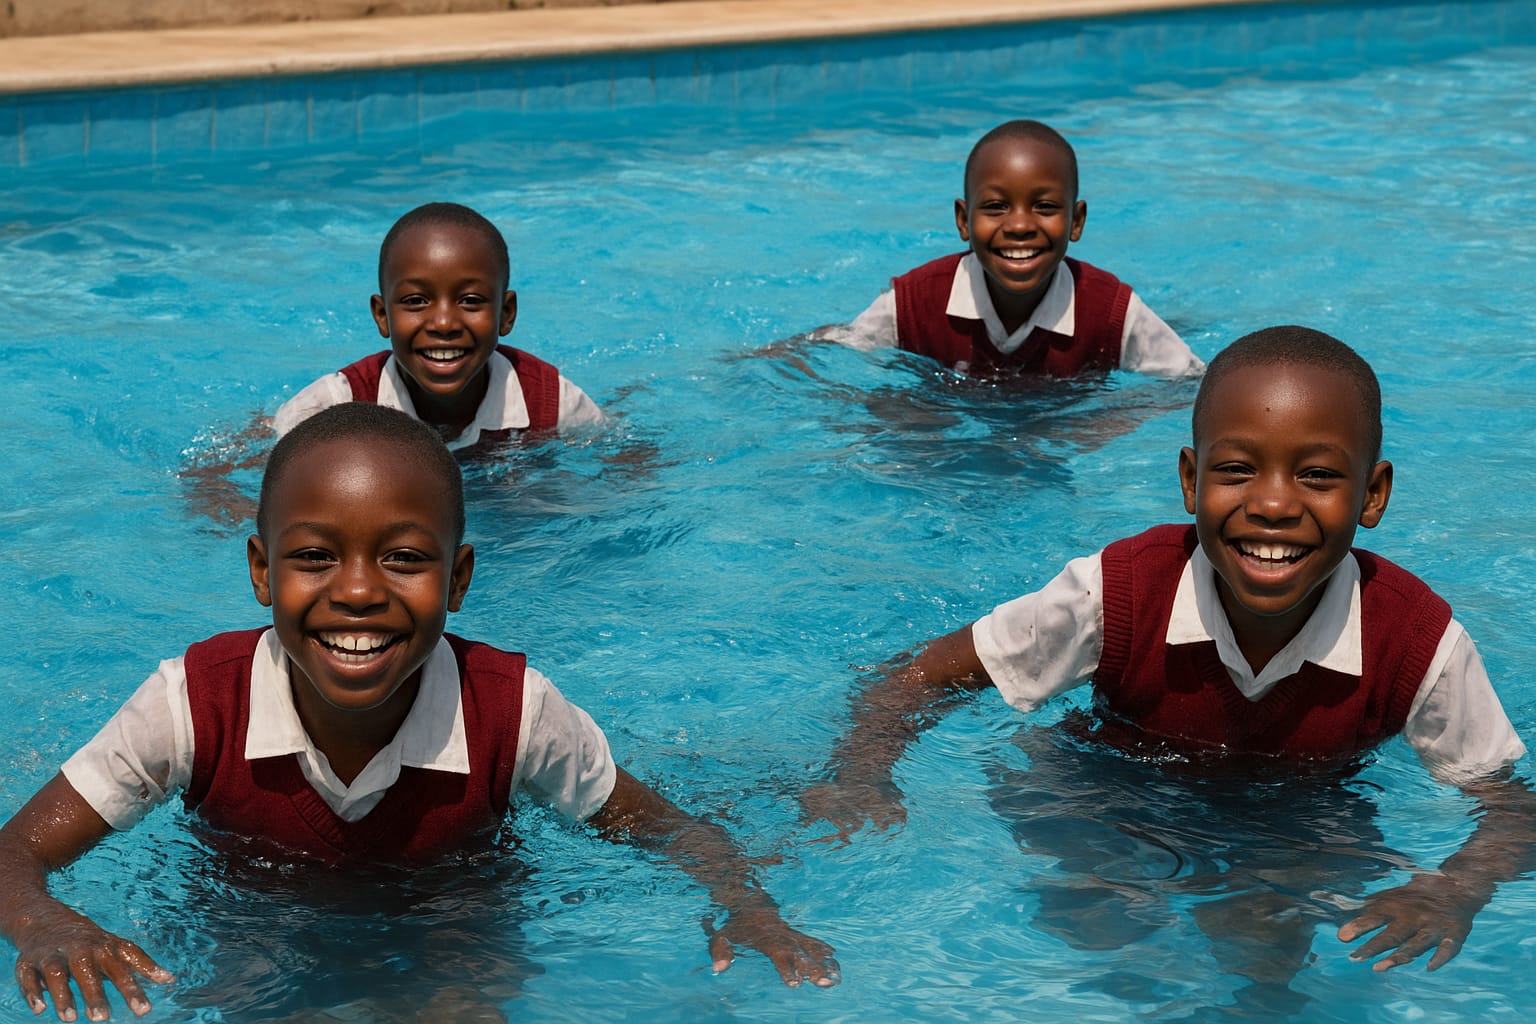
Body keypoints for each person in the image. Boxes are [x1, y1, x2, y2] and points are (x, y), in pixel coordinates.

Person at [1, 403, 837, 1022]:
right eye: (314, 557)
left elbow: (670, 829)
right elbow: (14, 854)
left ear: (459, 579)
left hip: (451, 922)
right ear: (261, 571)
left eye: (403, 558)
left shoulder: (515, 712)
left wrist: (745, 903)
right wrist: (44, 921)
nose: (358, 591)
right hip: (257, 923)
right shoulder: (192, 703)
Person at [803, 326, 1533, 980]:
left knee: (1268, 959)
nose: (1274, 503)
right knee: (1098, 932)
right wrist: (861, 774)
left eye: (1317, 475)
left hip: (1298, 812)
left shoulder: (1416, 640)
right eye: (1237, 469)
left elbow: (1510, 811)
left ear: (1373, 495)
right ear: (1190, 480)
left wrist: (1456, 888)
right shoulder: (1113, 594)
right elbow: (922, 677)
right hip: (1105, 785)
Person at [827, 120, 1203, 379]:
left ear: (1076, 221)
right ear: (963, 220)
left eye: (1045, 207)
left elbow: (1189, 383)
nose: (1020, 226)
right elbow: (829, 358)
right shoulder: (913, 303)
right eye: (995, 207)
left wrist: (1107, 421)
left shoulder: (1111, 315)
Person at [272, 202, 603, 450]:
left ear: (506, 313)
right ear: (382, 315)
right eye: (416, 301)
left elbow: (624, 472)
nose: (444, 323)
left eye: (470, 300)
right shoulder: (331, 410)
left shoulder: (552, 403)